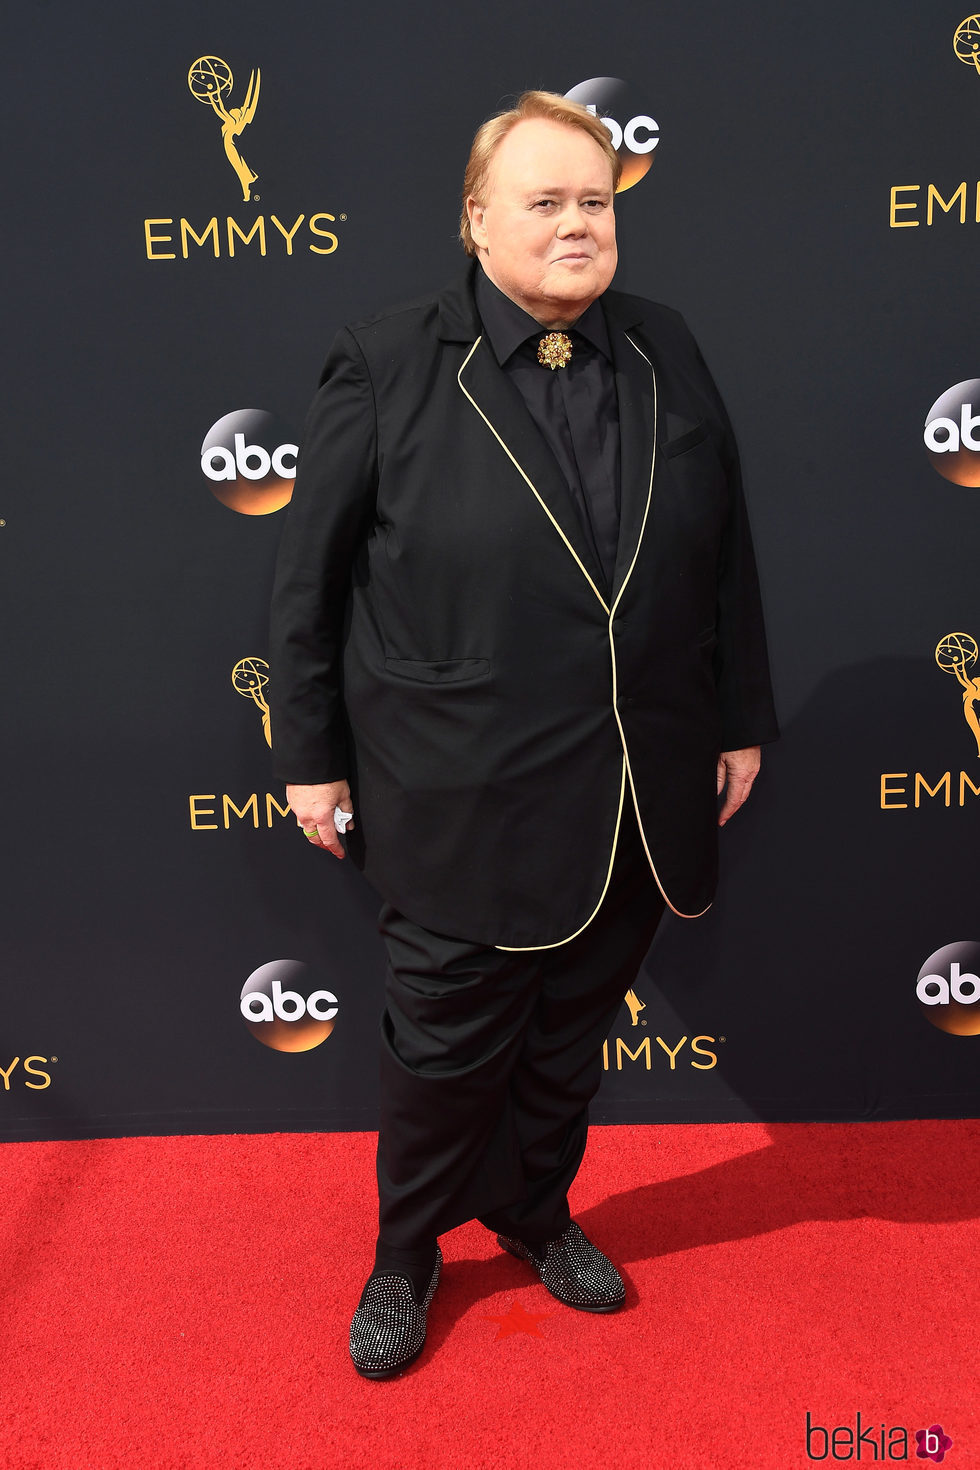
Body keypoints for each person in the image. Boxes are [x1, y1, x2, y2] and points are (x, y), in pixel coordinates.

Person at [269, 90, 778, 1379]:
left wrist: (735, 720)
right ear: (476, 222)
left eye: (595, 203)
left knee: (570, 1031)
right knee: (443, 1049)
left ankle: (539, 1211)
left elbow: (725, 560)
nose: (575, 227)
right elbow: (308, 586)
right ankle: (406, 1251)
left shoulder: (667, 344)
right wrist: (310, 756)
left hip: (639, 781)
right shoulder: (385, 362)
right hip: (456, 791)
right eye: (545, 203)